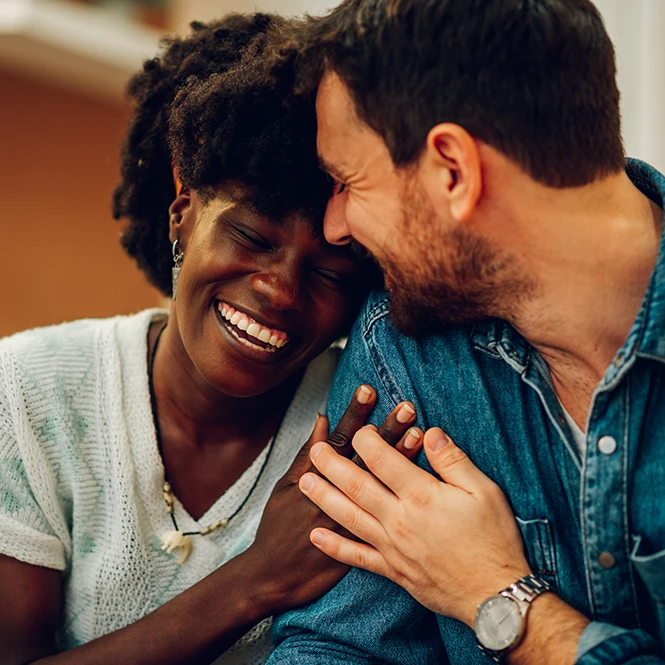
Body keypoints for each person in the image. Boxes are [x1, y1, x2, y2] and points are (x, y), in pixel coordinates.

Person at [0, 13, 423, 665]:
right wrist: (256, 580)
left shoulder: (355, 425)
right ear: (182, 209)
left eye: (329, 273)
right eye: (251, 237)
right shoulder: (29, 393)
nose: (280, 290)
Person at [266, 1, 665, 664]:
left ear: (452, 170)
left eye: (345, 181)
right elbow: (335, 645)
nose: (335, 227)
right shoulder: (402, 344)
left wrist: (498, 595)